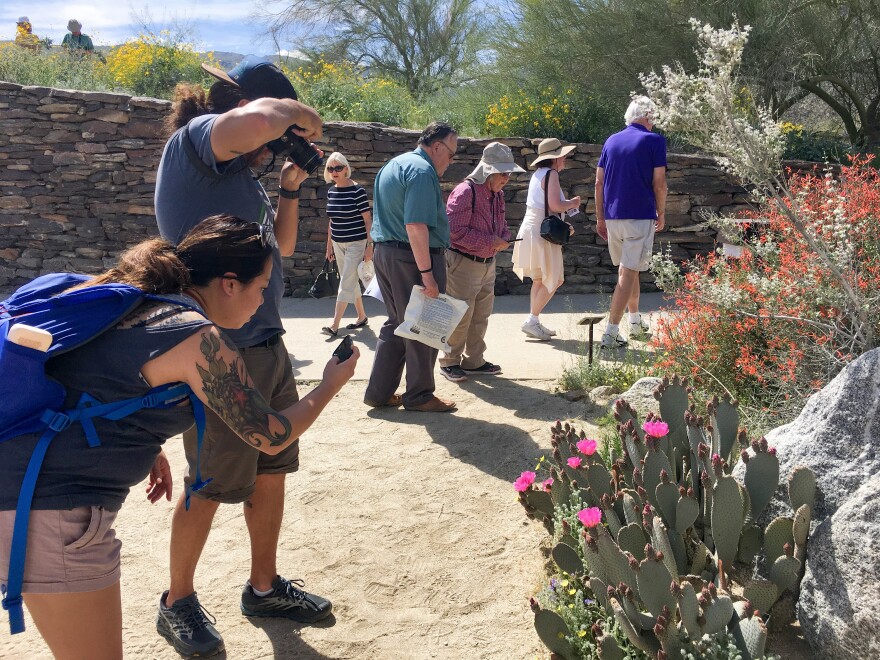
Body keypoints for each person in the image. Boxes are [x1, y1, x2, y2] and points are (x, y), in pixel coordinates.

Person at [0, 215, 358, 660]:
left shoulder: (142, 300)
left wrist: (145, 445)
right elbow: (268, 436)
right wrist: (329, 385)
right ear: (229, 283)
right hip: (48, 512)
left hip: (26, 496)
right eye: (262, 286)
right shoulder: (196, 335)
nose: (264, 298)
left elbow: (92, 378)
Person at [153, 56, 327, 656]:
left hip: (266, 341)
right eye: (277, 140)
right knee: (208, 483)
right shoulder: (195, 146)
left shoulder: (240, 176)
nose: (274, 148)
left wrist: (286, 189)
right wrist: (301, 118)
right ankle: (176, 602)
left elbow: (279, 246)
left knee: (272, 468)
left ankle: (263, 585)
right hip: (214, 351)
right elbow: (257, 121)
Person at [364, 121, 458, 413]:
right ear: (437, 146)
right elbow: (416, 225)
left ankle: (379, 393)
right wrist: (428, 273)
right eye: (451, 153)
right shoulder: (421, 171)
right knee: (423, 324)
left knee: (397, 322)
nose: (451, 161)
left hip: (387, 253)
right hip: (412, 257)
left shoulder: (393, 165)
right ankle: (419, 395)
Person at [439, 142, 524, 382]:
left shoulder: (497, 193)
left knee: (481, 314)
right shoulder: (465, 192)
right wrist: (491, 241)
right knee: (459, 313)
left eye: (509, 173)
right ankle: (449, 361)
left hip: (487, 262)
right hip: (463, 263)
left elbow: (502, 224)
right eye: (503, 173)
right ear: (488, 170)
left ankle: (474, 361)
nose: (507, 178)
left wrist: (503, 238)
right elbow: (454, 232)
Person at [595, 95, 667, 349]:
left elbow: (599, 182)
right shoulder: (654, 141)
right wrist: (662, 212)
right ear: (647, 117)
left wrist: (600, 217)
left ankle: (634, 322)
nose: (655, 122)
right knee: (628, 271)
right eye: (654, 117)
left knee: (628, 269)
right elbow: (659, 183)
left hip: (614, 216)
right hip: (640, 214)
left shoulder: (611, 141)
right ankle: (611, 332)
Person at [512, 138, 581, 341]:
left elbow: (545, 206)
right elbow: (555, 205)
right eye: (563, 155)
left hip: (533, 228)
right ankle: (532, 320)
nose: (566, 158)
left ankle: (533, 321)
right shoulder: (551, 174)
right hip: (542, 233)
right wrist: (572, 203)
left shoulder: (539, 174)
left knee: (540, 279)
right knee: (555, 279)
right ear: (556, 158)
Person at [321, 152, 372, 336]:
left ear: (346, 169)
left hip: (356, 243)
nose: (334, 172)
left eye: (338, 168)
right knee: (350, 281)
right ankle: (362, 316)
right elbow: (331, 221)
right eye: (330, 168)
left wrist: (369, 246)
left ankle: (334, 325)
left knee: (345, 282)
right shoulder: (331, 191)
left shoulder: (357, 191)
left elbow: (368, 220)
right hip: (337, 242)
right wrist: (328, 247)